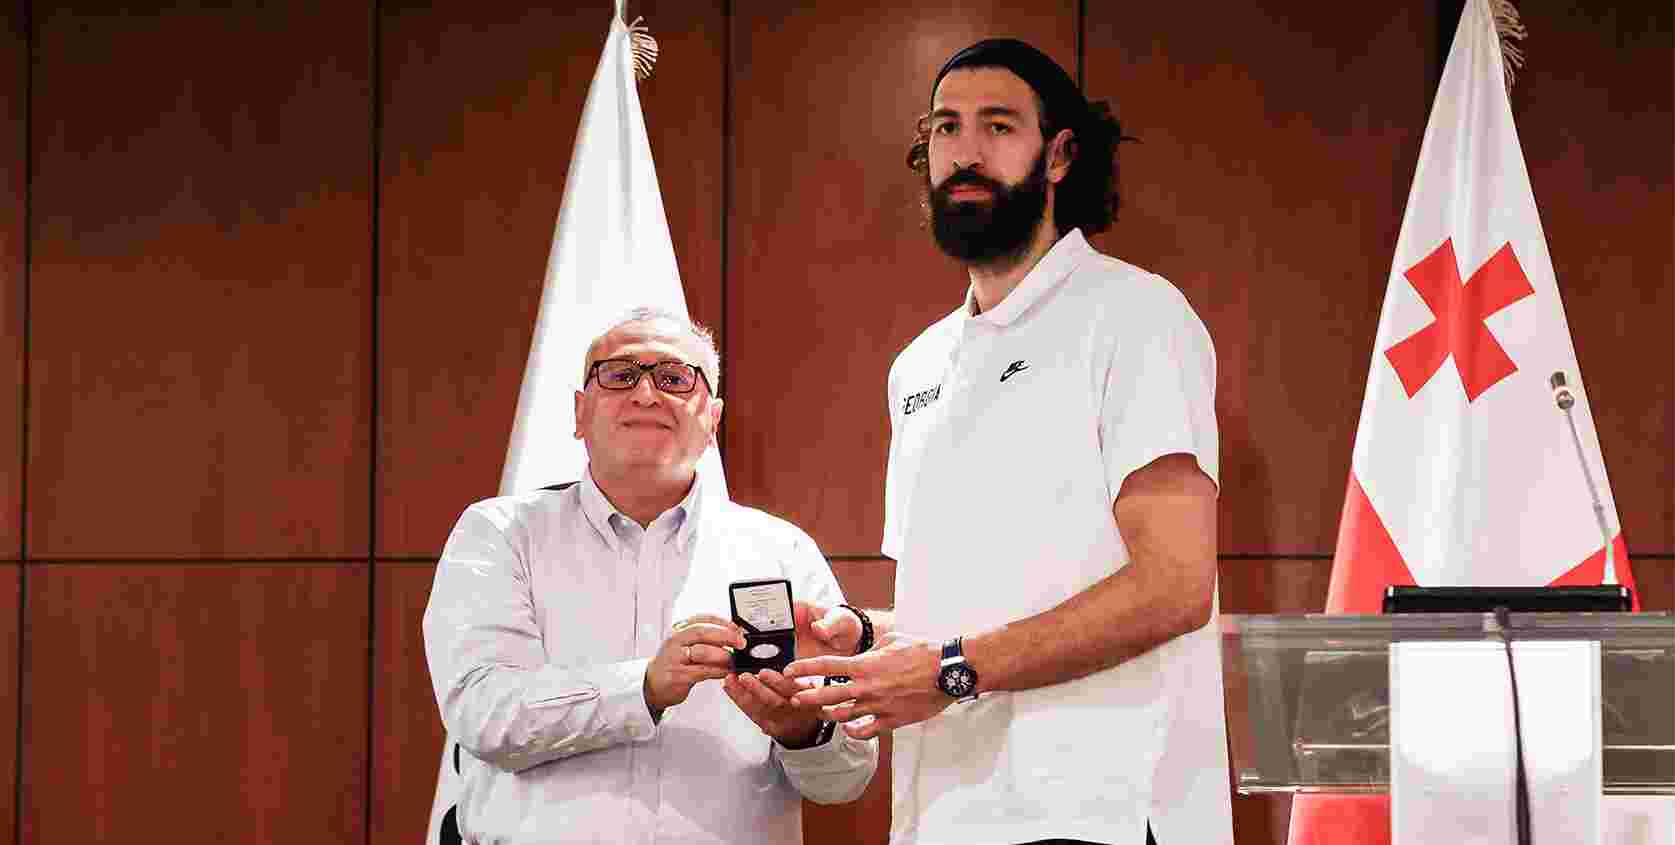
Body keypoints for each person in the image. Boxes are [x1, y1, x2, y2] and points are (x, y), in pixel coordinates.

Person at [785, 39, 1230, 845]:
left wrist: (948, 669)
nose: (966, 152)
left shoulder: (1134, 316)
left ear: (1059, 156)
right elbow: (962, 609)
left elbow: (1174, 584)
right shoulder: (918, 365)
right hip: (946, 813)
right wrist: (864, 639)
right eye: (945, 128)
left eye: (997, 126)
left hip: (1101, 814)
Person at [424, 306, 877, 844]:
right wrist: (644, 687)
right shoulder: (498, 534)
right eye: (619, 375)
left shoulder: (782, 551)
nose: (645, 394)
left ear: (712, 419)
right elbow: (484, 712)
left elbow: (847, 778)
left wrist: (803, 731)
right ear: (579, 412)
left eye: (674, 378)